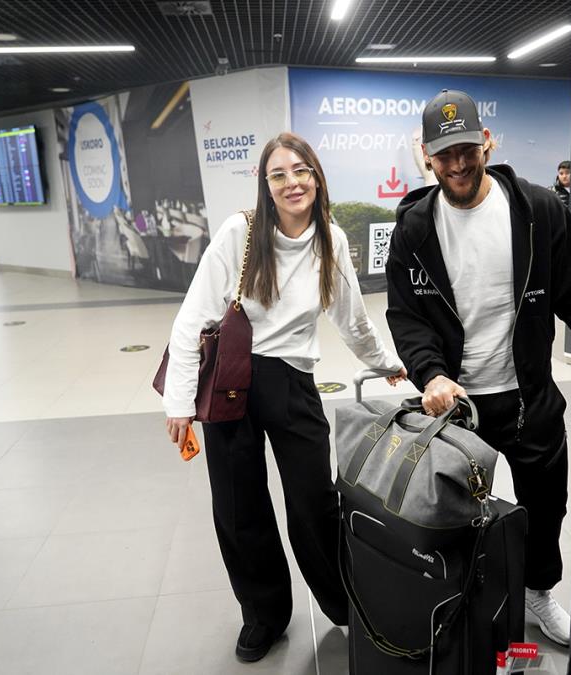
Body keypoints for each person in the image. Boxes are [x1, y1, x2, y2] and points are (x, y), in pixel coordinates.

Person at [385, 90, 571, 648]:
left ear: (487, 142)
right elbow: (407, 318)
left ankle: (538, 593)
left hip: (528, 397)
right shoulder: (415, 230)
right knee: (451, 513)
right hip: (453, 406)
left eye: (466, 150)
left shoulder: (539, 211)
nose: (457, 164)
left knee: (545, 507)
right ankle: (459, 601)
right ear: (427, 156)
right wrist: (430, 374)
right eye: (444, 154)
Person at [163, 132, 406, 663]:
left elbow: (351, 318)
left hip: (292, 381)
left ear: (316, 177)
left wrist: (386, 363)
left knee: (314, 502)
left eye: (300, 170)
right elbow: (193, 317)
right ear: (265, 184)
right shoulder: (241, 232)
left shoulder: (331, 240)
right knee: (238, 505)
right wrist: (179, 402)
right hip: (231, 380)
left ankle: (346, 607)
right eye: (278, 174)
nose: (291, 182)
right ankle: (264, 615)